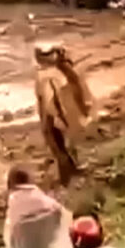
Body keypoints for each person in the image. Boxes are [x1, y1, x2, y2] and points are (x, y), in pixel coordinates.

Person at [33, 43, 91, 184]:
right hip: (53, 116)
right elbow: (50, 100)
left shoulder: (45, 75)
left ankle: (69, 173)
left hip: (51, 115)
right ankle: (67, 177)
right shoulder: (51, 77)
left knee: (61, 147)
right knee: (60, 148)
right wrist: (58, 117)